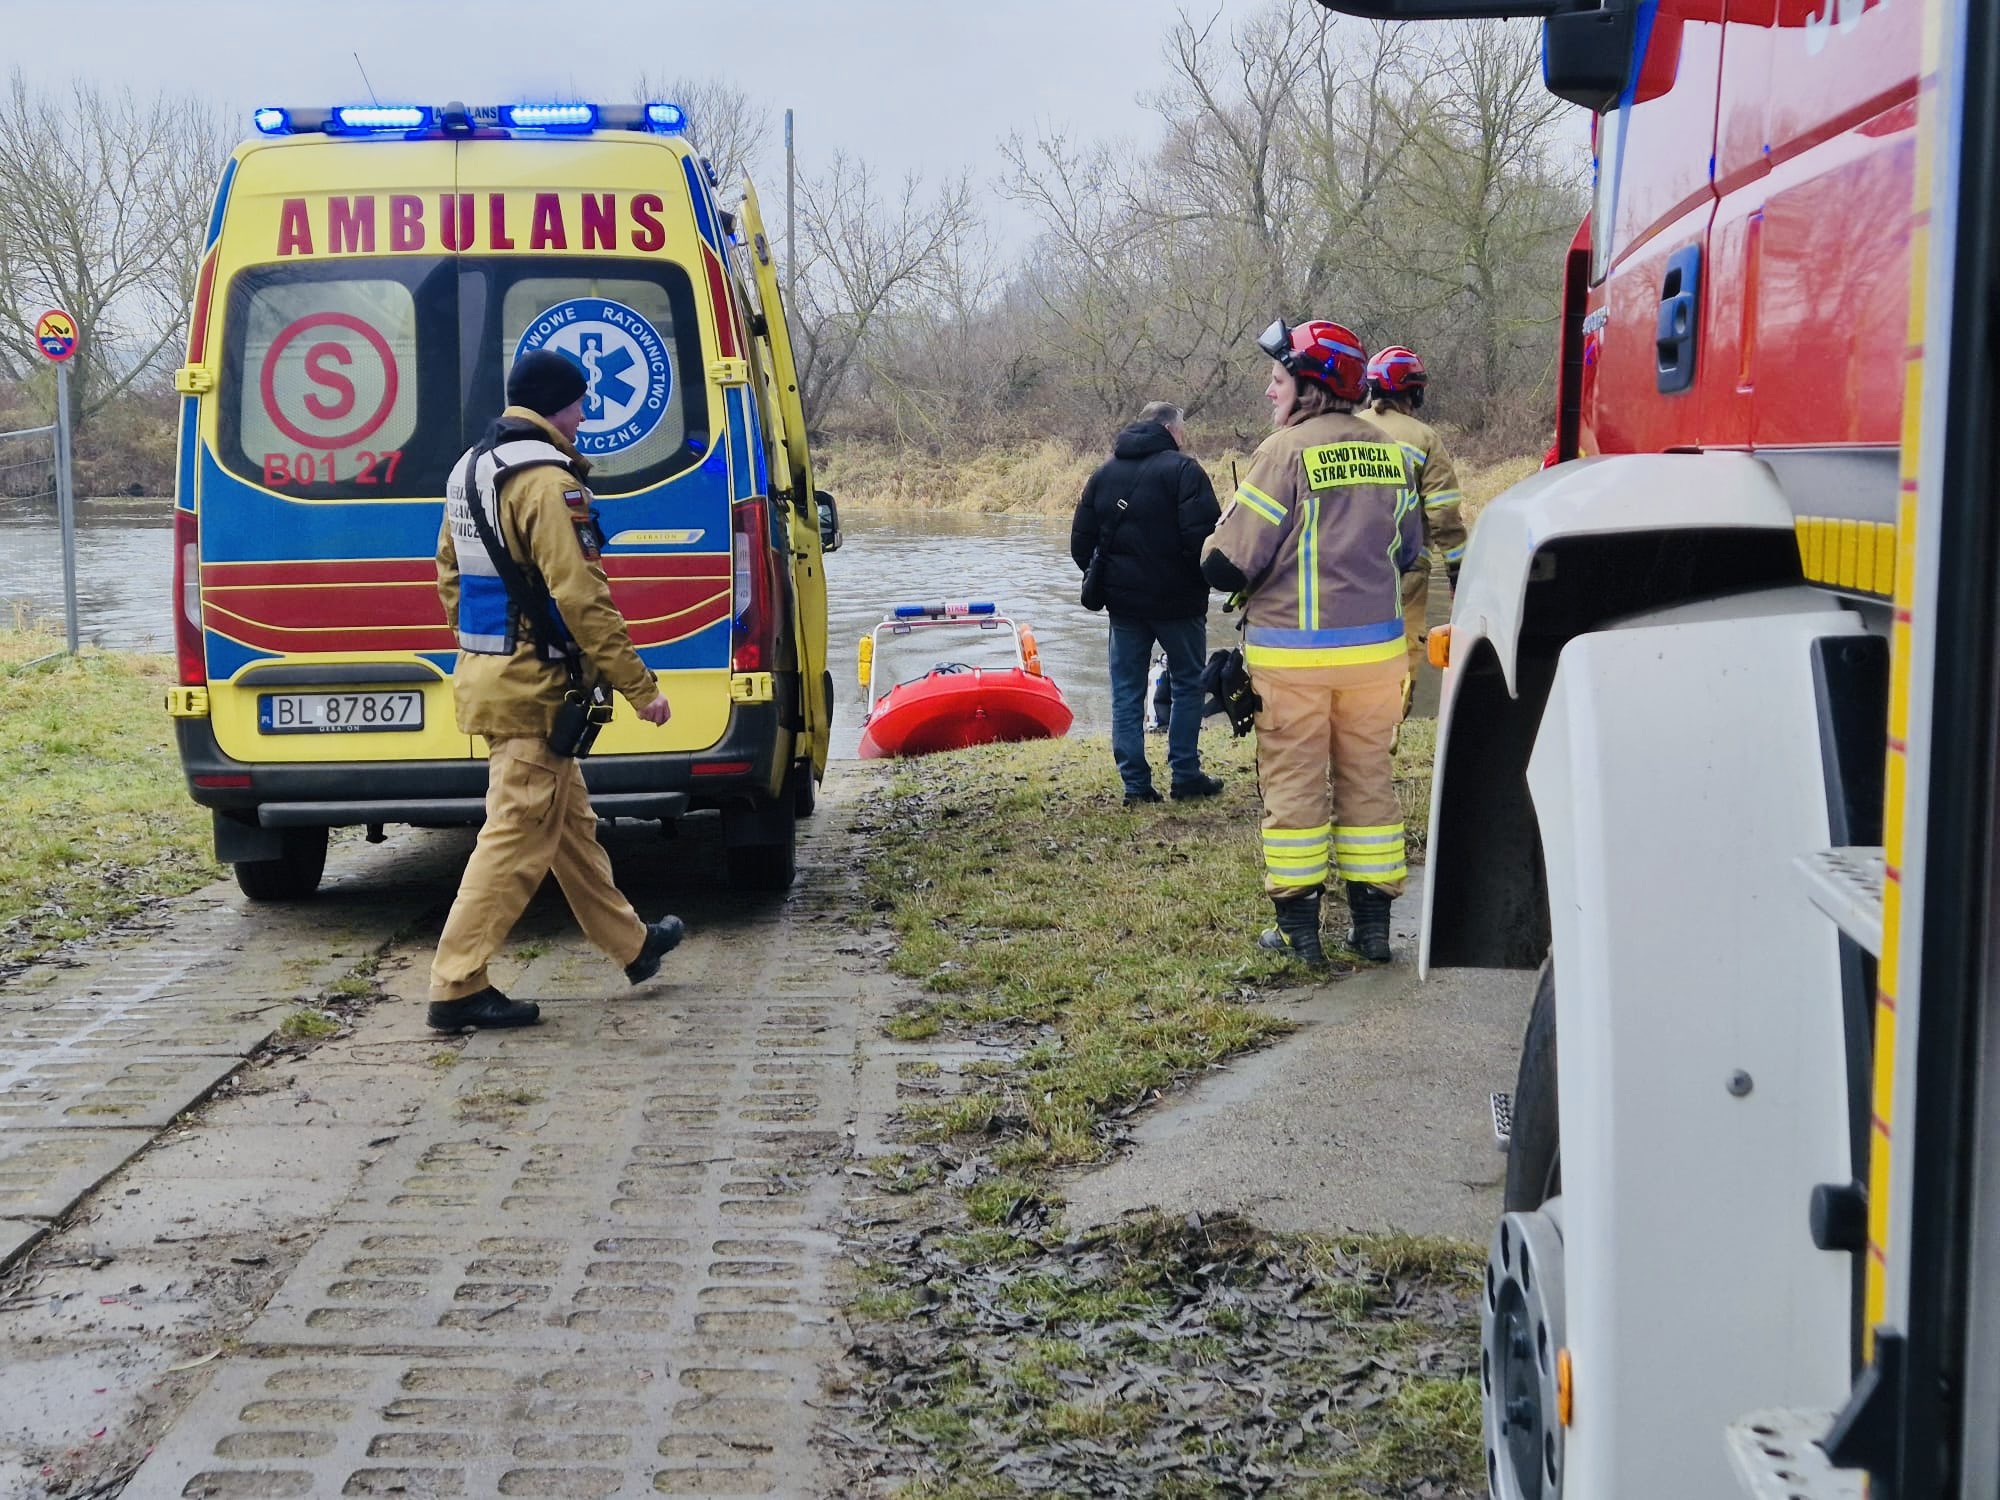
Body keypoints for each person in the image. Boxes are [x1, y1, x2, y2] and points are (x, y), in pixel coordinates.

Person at [427, 349, 685, 1031]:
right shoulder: (545, 480)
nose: (584, 415)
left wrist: (489, 650)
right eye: (578, 402)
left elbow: (449, 571)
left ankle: (632, 945)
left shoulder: (472, 468)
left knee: (568, 826)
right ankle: (456, 985)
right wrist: (639, 687)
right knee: (513, 839)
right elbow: (582, 596)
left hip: (495, 676)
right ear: (553, 405)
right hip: (535, 686)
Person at [1201, 321, 1420, 966]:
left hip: (1293, 657)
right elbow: (1407, 553)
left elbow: (1228, 564)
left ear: (1310, 386)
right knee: (1369, 780)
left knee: (1295, 783)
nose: (1271, 392)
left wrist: (1214, 539)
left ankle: (1299, 932)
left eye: (1278, 379)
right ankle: (1373, 929)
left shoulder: (1284, 453)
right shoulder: (1394, 455)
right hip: (1378, 657)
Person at [1071, 400, 1224, 806]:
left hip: (1125, 609)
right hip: (1180, 606)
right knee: (1189, 684)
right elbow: (1205, 542)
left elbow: (1081, 544)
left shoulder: (1103, 474)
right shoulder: (1185, 471)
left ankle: (1135, 786)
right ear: (1173, 430)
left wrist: (1117, 581)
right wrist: (1193, 581)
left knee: (1126, 691)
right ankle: (1186, 775)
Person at [1353, 346, 1466, 691]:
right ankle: (1388, 725)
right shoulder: (1422, 437)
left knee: (1351, 642)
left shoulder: (1345, 429)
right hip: (1407, 561)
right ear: (1412, 390)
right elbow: (1443, 511)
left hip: (1345, 562)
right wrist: (1458, 568)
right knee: (1403, 645)